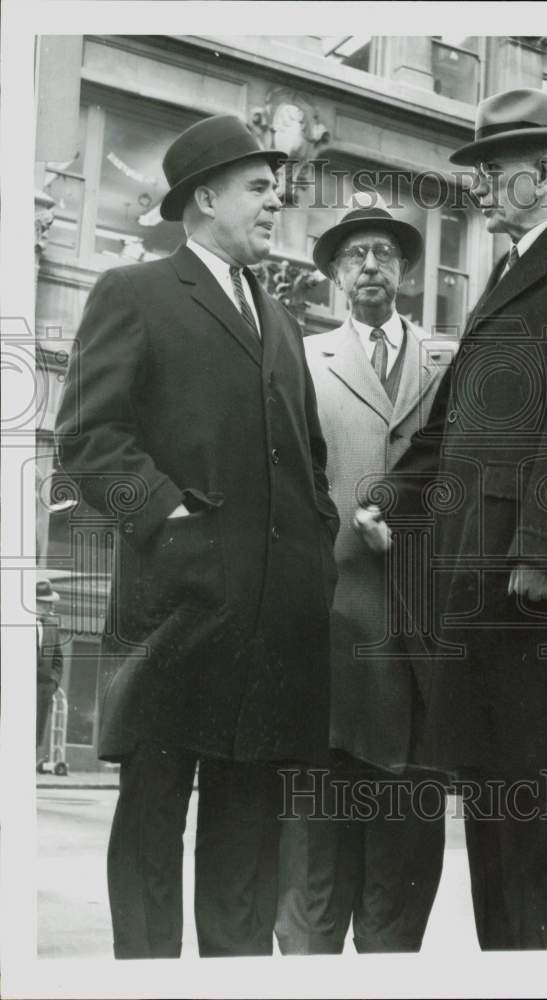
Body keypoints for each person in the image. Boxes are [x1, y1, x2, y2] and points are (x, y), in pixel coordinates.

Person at [355, 88, 547, 950]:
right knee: (495, 816)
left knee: (546, 832)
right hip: (481, 591)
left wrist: (545, 555)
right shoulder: (510, 274)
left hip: (537, 598)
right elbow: (449, 422)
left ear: (546, 171)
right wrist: (384, 496)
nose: (478, 188)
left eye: (492, 171)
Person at [55, 114, 339, 959]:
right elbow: (88, 435)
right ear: (203, 198)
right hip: (174, 621)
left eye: (275, 189)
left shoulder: (283, 323)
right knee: (151, 826)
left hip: (270, 625)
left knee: (245, 840)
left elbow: (308, 465)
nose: (275, 202)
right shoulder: (134, 293)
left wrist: (315, 551)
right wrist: (170, 519)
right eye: (258, 188)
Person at [275, 193, 447, 954]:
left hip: (421, 624)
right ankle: (309, 959)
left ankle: (388, 962)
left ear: (405, 272)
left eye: (383, 253)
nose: (370, 266)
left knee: (406, 820)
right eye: (354, 255)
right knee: (318, 813)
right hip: (330, 617)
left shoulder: (449, 359)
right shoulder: (302, 360)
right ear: (335, 276)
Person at [36, 578, 63, 755]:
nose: (51, 607)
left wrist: (53, 683)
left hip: (43, 692)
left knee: (34, 739)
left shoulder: (52, 626)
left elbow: (58, 660)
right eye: (46, 603)